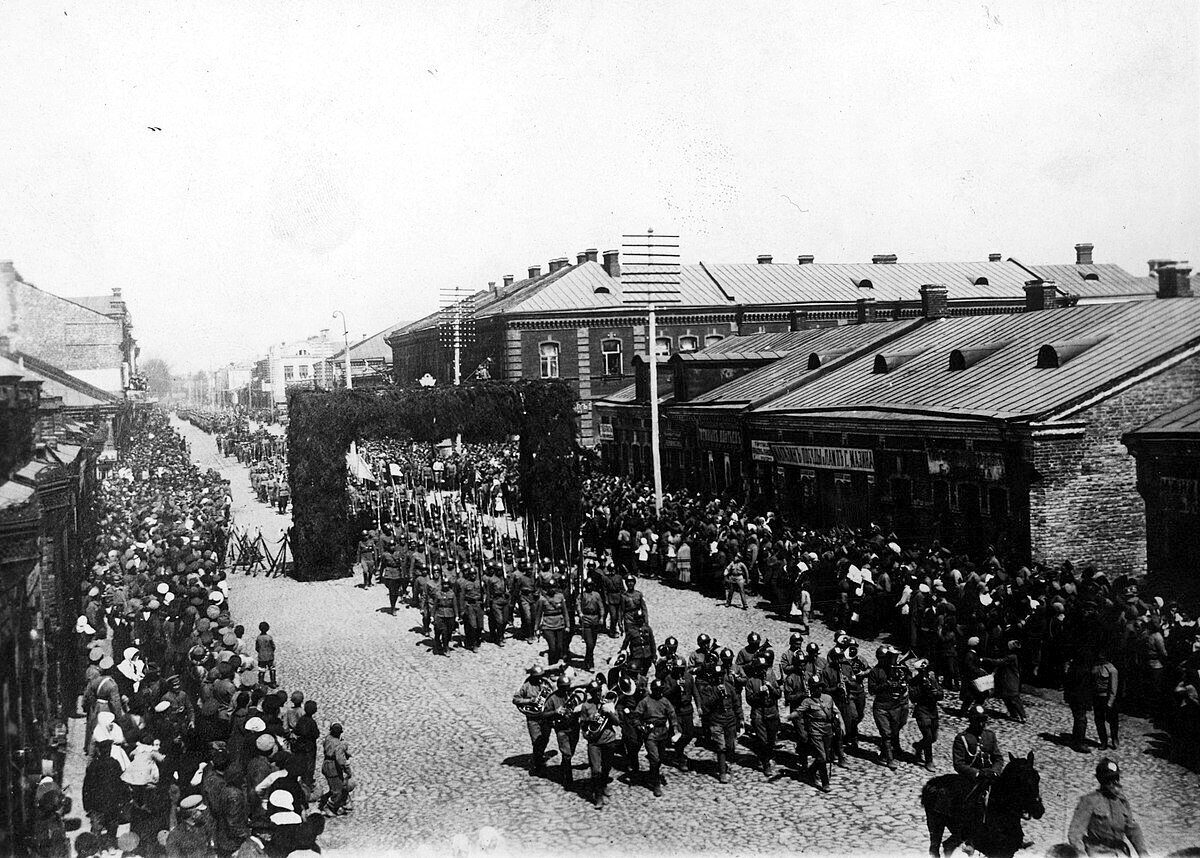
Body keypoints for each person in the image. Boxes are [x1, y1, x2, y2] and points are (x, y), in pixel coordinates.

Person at [1068, 758, 1148, 857]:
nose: (1114, 783)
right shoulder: (1089, 800)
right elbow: (1075, 833)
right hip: (1098, 851)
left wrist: (1143, 852)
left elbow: (1132, 828)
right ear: (1101, 780)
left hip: (1120, 852)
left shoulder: (1122, 802)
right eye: (1109, 780)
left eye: (1116, 778)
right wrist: (1081, 854)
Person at [952, 705, 1004, 849]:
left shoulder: (990, 735)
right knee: (977, 804)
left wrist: (995, 771)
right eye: (978, 721)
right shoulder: (962, 738)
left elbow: (998, 758)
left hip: (990, 776)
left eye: (983, 720)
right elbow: (959, 764)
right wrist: (978, 773)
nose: (981, 724)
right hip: (972, 779)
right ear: (971, 721)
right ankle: (971, 839)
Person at [793, 675, 842, 792]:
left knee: (824, 756)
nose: (818, 690)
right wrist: (789, 716)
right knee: (822, 757)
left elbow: (836, 711)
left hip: (828, 730)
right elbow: (798, 712)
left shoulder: (828, 698)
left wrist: (841, 725)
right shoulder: (807, 701)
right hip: (815, 731)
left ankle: (811, 771)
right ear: (811, 688)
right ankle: (825, 783)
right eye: (815, 687)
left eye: (820, 687)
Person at [695, 663, 742, 784]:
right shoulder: (708, 689)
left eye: (721, 677)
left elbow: (736, 703)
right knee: (721, 747)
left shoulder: (729, 687)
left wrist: (740, 718)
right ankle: (722, 773)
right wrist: (716, 695)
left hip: (730, 720)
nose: (719, 679)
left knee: (730, 746)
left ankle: (727, 761)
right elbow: (705, 706)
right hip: (716, 720)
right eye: (717, 677)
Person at [867, 645, 910, 769]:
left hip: (895, 706)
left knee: (894, 731)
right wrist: (886, 684)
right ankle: (890, 759)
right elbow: (872, 690)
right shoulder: (875, 672)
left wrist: (904, 678)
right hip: (881, 707)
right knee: (886, 734)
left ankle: (884, 754)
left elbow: (907, 681)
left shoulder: (896, 669)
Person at [634, 679, 678, 797]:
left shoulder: (665, 701)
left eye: (660, 690)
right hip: (650, 734)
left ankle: (653, 772)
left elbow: (672, 714)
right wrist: (639, 726)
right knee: (655, 759)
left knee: (661, 758)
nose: (659, 693)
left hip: (663, 732)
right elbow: (636, 715)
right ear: (653, 690)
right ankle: (656, 783)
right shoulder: (645, 702)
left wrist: (674, 727)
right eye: (656, 690)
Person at [579, 681, 620, 808]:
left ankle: (603, 785)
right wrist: (590, 718)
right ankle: (598, 797)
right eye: (594, 692)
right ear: (591, 694)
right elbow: (582, 724)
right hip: (594, 742)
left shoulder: (608, 703)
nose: (597, 693)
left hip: (609, 740)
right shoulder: (586, 706)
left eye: (598, 690)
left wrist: (609, 712)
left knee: (607, 766)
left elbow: (617, 722)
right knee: (595, 770)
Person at [512, 665, 553, 773]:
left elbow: (552, 694)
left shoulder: (545, 683)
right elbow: (516, 699)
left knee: (545, 739)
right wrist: (530, 701)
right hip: (533, 718)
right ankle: (537, 762)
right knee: (536, 741)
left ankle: (539, 756)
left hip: (545, 717)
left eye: (541, 676)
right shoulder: (526, 685)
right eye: (537, 676)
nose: (540, 678)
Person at [544, 676, 581, 789]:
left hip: (574, 727)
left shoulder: (572, 696)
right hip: (562, 729)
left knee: (570, 753)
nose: (566, 690)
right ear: (559, 687)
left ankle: (564, 768)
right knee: (567, 754)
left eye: (568, 687)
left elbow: (580, 708)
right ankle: (568, 780)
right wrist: (556, 711)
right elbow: (543, 715)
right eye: (564, 688)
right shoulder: (552, 699)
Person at [909, 658, 943, 771]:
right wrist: (922, 690)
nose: (925, 672)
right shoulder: (914, 681)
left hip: (933, 710)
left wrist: (935, 692)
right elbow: (913, 698)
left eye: (926, 669)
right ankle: (929, 761)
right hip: (922, 710)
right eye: (922, 670)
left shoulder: (932, 679)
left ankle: (919, 746)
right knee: (928, 736)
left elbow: (941, 694)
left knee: (934, 737)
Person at [318, 723, 352, 816]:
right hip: (333, 768)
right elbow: (341, 761)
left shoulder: (328, 738)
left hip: (325, 764)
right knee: (337, 791)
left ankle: (340, 803)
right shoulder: (338, 744)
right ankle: (328, 807)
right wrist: (348, 771)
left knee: (335, 787)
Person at [536, 581, 569, 666]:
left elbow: (565, 612)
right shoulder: (542, 599)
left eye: (554, 587)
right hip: (548, 625)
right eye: (550, 587)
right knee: (552, 647)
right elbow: (539, 614)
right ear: (547, 589)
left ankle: (557, 664)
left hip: (559, 624)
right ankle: (552, 664)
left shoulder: (560, 597)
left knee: (559, 647)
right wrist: (536, 628)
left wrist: (567, 625)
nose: (552, 589)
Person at [1092, 652, 1120, 750]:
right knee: (1099, 720)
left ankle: (1114, 738)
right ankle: (1103, 741)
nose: (1101, 656)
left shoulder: (1112, 669)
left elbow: (1113, 687)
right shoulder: (1095, 667)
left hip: (1107, 698)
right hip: (1097, 697)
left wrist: (1110, 702)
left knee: (1113, 721)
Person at [456, 565, 485, 652]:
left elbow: (485, 592)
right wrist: (462, 610)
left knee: (480, 626)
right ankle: (474, 643)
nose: (473, 575)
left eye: (474, 574)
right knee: (473, 626)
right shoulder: (465, 584)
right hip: (470, 606)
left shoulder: (479, 583)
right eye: (471, 574)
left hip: (479, 605)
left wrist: (484, 601)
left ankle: (477, 638)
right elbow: (461, 597)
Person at [578, 577, 605, 670]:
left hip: (595, 619)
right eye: (588, 585)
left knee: (593, 643)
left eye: (591, 585)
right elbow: (578, 604)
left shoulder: (596, 595)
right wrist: (580, 613)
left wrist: (602, 617)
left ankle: (587, 659)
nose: (590, 587)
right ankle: (591, 662)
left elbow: (601, 606)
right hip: (586, 619)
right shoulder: (582, 595)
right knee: (589, 643)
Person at [482, 563, 510, 647]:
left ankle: (501, 634)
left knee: (505, 621)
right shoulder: (492, 580)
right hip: (495, 601)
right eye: (497, 570)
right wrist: (487, 605)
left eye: (500, 570)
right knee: (499, 621)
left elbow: (508, 588)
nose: (499, 571)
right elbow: (488, 592)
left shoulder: (504, 579)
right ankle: (499, 638)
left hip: (504, 601)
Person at [432, 574, 459, 656]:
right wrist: (432, 616)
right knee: (442, 631)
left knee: (449, 631)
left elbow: (455, 605)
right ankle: (445, 647)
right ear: (442, 585)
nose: (446, 586)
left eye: (447, 584)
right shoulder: (438, 593)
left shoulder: (452, 594)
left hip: (450, 614)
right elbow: (435, 605)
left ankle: (445, 644)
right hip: (440, 614)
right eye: (444, 584)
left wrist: (457, 616)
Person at [255, 622, 276, 687]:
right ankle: (273, 682)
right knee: (272, 668)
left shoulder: (258, 638)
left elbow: (257, 648)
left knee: (262, 669)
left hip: (261, 656)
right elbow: (273, 646)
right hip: (270, 655)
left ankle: (261, 682)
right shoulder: (269, 637)